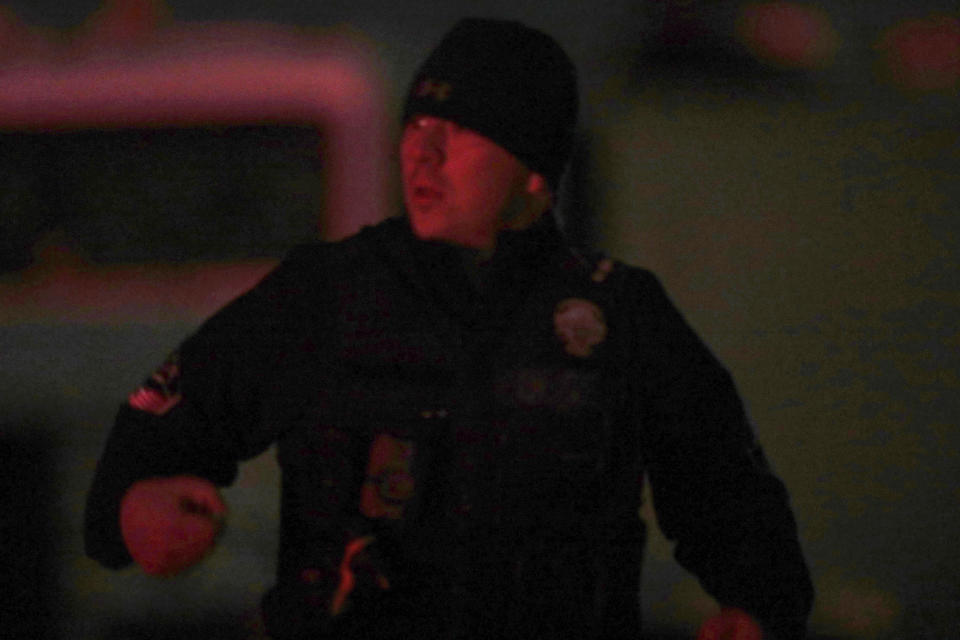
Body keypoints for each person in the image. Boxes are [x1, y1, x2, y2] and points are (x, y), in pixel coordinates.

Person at [84, 18, 814, 640]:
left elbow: (725, 485)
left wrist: (755, 605)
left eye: (459, 133)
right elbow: (165, 425)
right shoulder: (327, 294)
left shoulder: (619, 314)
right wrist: (137, 508)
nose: (421, 154)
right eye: (415, 127)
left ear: (534, 174)